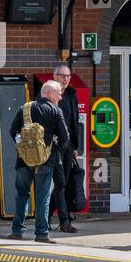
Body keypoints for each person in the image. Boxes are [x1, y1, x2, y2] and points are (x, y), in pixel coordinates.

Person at [7, 80, 69, 243]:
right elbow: (65, 138)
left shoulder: (25, 108)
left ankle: (17, 231)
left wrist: (23, 147)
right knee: (42, 196)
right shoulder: (55, 110)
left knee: (22, 193)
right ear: (48, 93)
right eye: (58, 93)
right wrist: (55, 146)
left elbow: (12, 131)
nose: (61, 97)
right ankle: (41, 234)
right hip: (45, 160)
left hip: (24, 160)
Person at [48, 64, 80, 235]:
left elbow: (75, 122)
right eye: (62, 76)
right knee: (60, 183)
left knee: (63, 183)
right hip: (54, 145)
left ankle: (46, 217)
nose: (66, 79)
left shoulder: (72, 94)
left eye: (68, 76)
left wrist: (75, 146)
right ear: (55, 77)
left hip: (68, 146)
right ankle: (64, 221)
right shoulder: (48, 94)